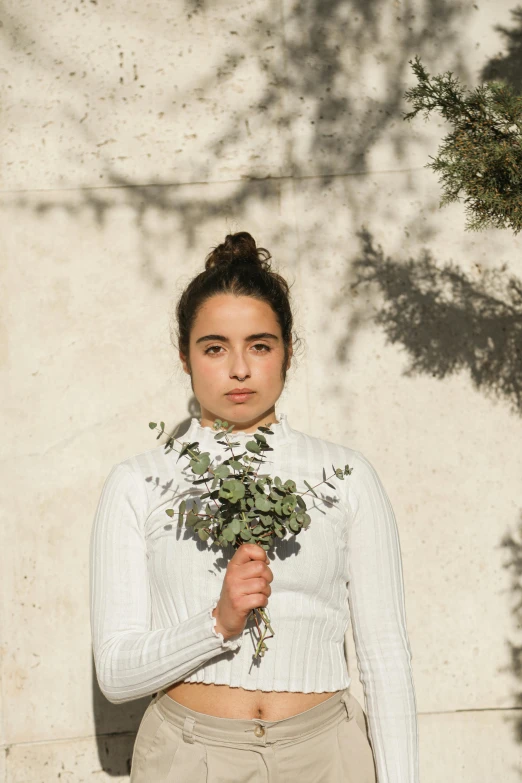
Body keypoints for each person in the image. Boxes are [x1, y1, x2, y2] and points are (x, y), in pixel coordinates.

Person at [89, 231, 419, 782]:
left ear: (288, 352)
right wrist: (216, 623)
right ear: (185, 357)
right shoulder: (140, 482)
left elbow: (386, 661)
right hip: (189, 757)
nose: (239, 368)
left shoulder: (347, 476)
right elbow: (118, 674)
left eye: (260, 345)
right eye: (215, 347)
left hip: (328, 757)